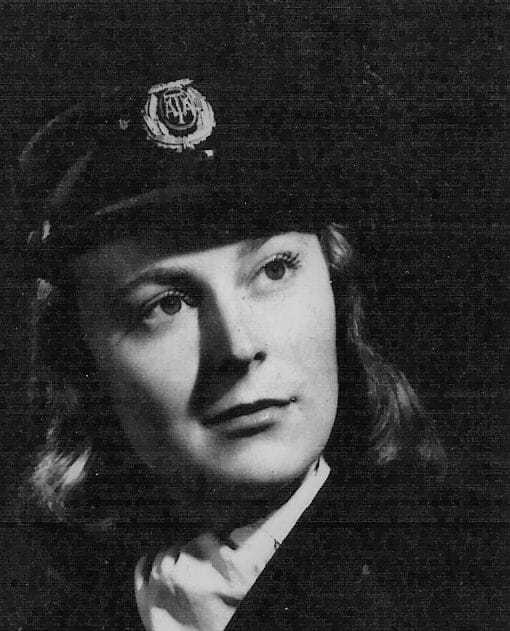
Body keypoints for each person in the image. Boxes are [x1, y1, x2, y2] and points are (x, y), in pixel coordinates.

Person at [2, 70, 502, 630]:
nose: (238, 347)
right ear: (80, 361)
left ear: (336, 290)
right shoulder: (51, 609)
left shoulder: (475, 577)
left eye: (274, 270)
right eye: (165, 305)